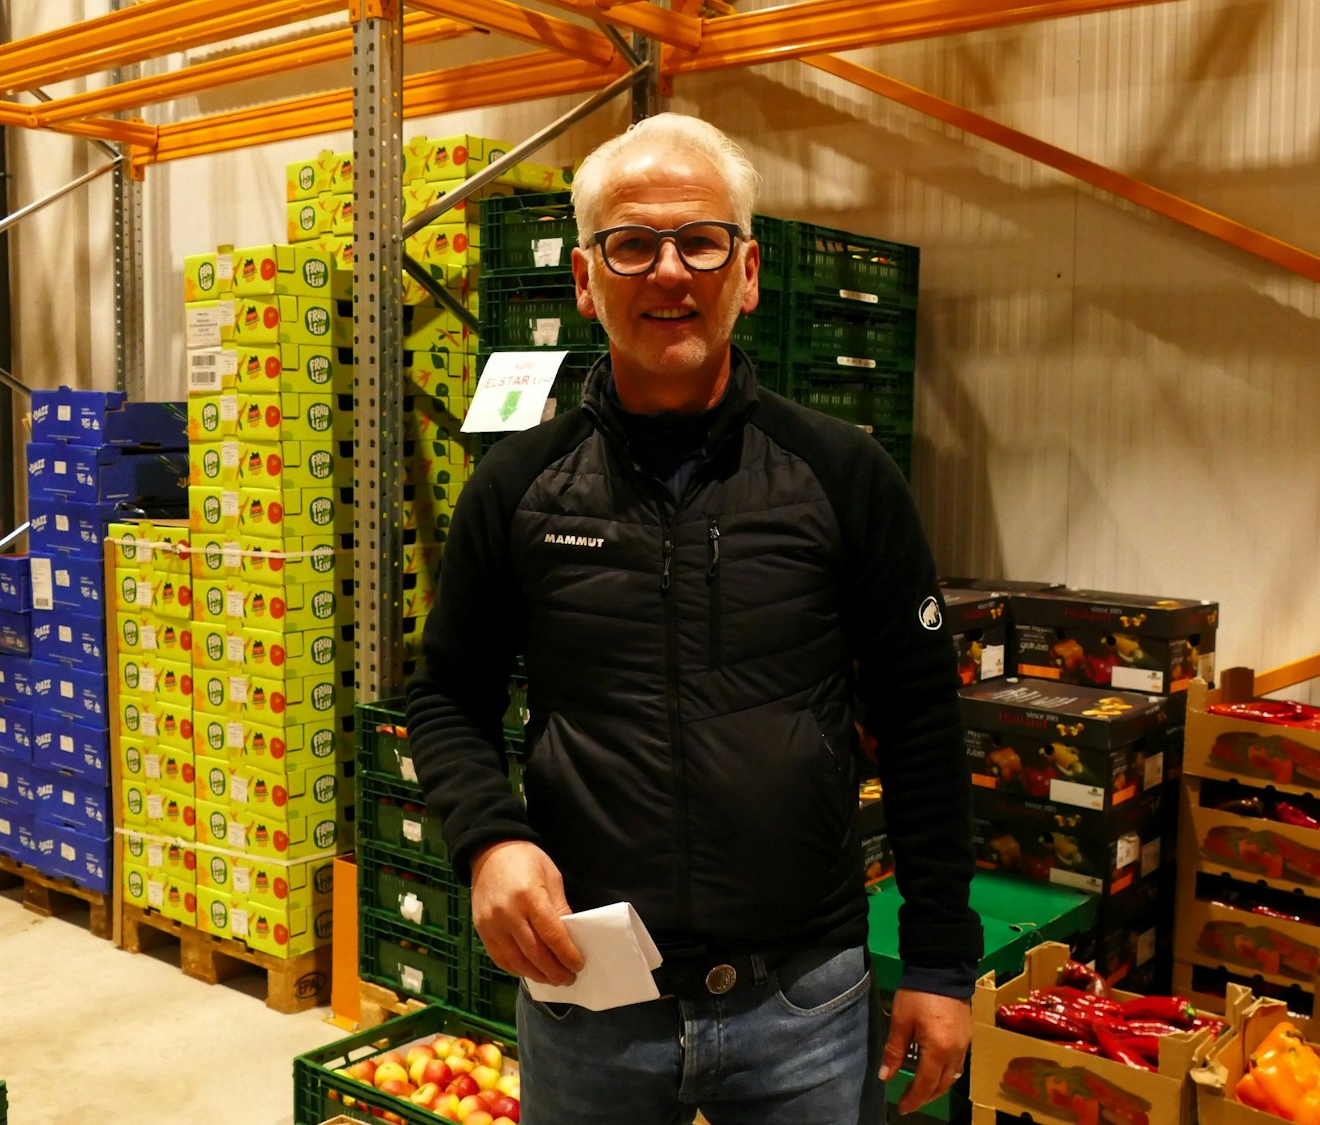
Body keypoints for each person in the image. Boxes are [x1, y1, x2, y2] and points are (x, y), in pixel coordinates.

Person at [405, 112, 980, 1124]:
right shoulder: (517, 489)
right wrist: (487, 840)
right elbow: (447, 694)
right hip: (592, 998)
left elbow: (922, 720)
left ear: (746, 272)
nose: (668, 272)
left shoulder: (843, 479)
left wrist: (937, 958)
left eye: (699, 242)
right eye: (630, 245)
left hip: (802, 1000)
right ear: (585, 281)